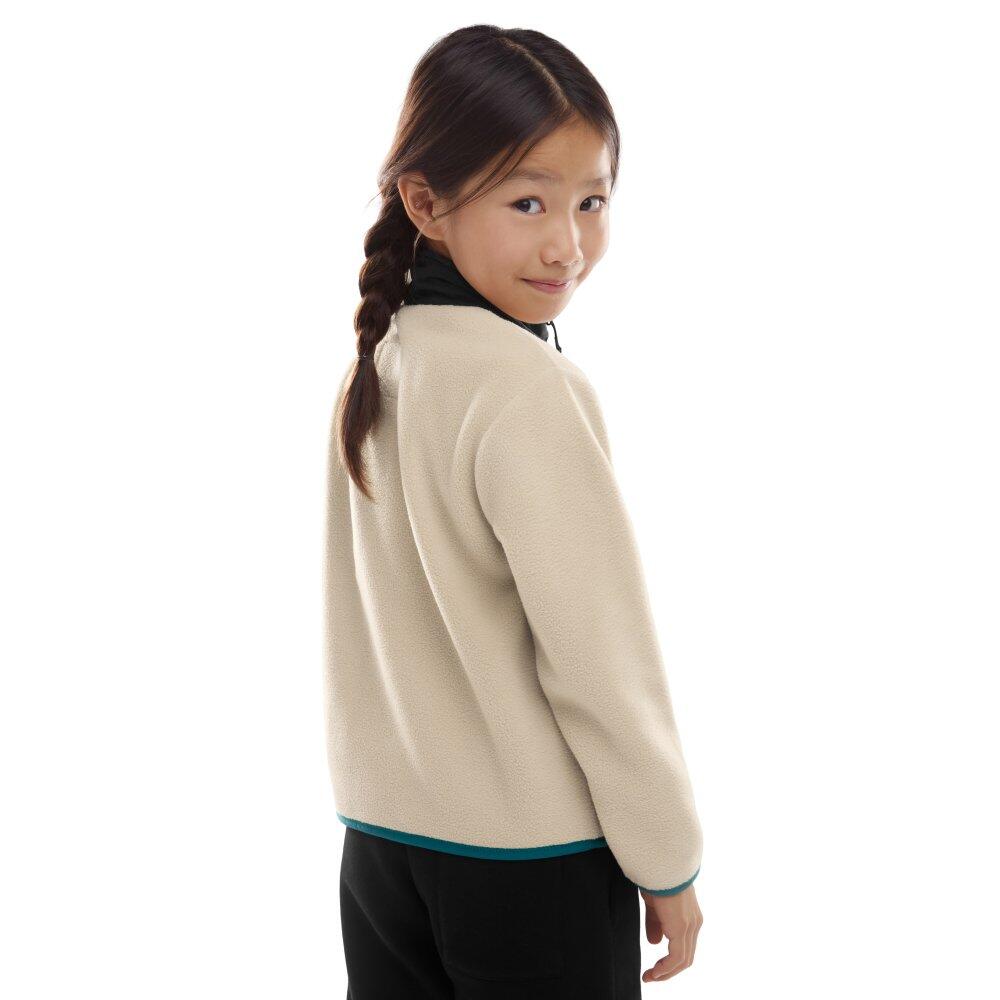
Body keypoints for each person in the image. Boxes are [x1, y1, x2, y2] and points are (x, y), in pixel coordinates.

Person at [325, 24, 704, 998]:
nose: (566, 244)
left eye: (592, 201)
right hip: (531, 864)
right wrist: (666, 860)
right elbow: (600, 662)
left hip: (381, 851)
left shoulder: (380, 364)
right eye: (527, 200)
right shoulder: (526, 388)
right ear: (425, 202)